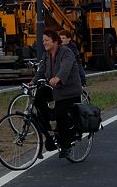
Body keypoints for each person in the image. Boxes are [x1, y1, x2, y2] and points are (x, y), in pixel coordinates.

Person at [33, 29, 83, 157]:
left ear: (55, 41)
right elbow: (42, 69)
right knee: (38, 97)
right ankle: (48, 129)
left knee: (61, 114)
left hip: (69, 91)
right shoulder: (47, 54)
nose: (44, 43)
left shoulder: (66, 52)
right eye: (43, 40)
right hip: (55, 89)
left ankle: (66, 144)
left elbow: (65, 67)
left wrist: (58, 77)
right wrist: (32, 82)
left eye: (46, 40)